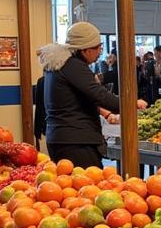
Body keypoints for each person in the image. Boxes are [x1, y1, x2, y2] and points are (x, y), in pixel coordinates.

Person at [37, 21, 145, 168]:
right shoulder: (73, 65)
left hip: (61, 138)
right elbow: (100, 95)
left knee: (71, 187)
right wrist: (131, 103)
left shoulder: (59, 65)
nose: (100, 52)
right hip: (76, 142)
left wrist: (105, 114)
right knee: (89, 187)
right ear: (85, 50)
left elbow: (77, 100)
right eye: (98, 48)